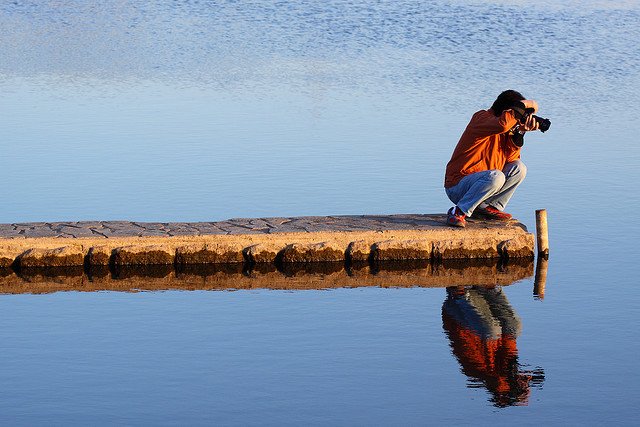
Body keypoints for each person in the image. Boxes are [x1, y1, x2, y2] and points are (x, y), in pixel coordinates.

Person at [444, 90, 541, 227]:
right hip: (457, 186)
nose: (518, 119)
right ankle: (458, 211)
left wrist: (520, 132)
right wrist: (531, 103)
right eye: (518, 115)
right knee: (496, 176)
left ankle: (489, 208)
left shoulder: (508, 131)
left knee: (519, 168)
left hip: (483, 184)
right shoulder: (480, 118)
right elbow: (502, 124)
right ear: (507, 111)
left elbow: (512, 158)